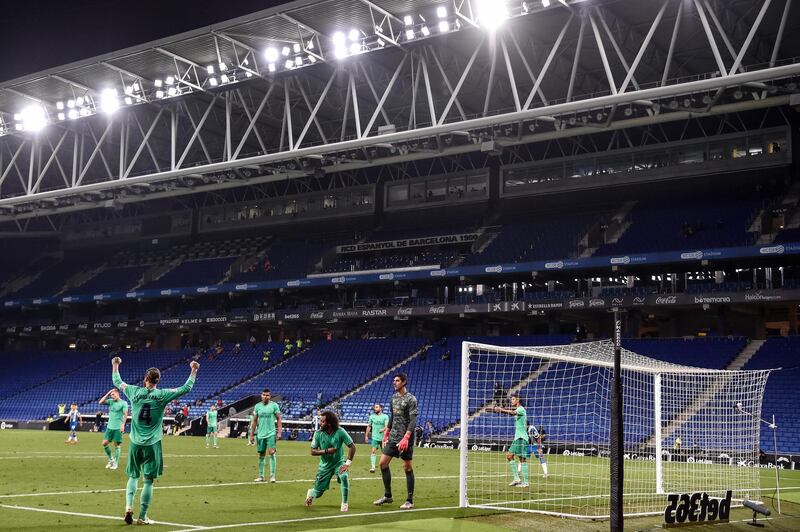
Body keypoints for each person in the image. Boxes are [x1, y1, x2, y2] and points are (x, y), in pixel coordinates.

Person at [111, 356, 199, 525]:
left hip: (135, 442)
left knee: (133, 476)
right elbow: (186, 388)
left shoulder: (133, 391)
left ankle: (129, 506)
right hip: (153, 444)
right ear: (157, 381)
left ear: (145, 379)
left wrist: (115, 364)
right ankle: (142, 517)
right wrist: (194, 370)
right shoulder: (162, 395)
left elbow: (117, 380)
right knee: (148, 481)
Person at [374, 373, 418, 510]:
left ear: (404, 382)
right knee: (382, 463)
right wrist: (386, 433)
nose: (394, 383)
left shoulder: (411, 399)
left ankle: (409, 500)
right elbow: (392, 417)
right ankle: (388, 495)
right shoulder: (393, 398)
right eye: (394, 381)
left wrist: (406, 437)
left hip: (406, 438)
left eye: (397, 381)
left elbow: (413, 420)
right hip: (393, 437)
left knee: (407, 467)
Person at [305, 411, 356, 512]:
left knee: (344, 476)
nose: (320, 423)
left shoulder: (340, 431)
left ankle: (344, 504)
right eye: (320, 421)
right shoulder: (318, 434)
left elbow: (352, 447)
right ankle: (311, 493)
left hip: (339, 462)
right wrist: (327, 451)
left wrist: (347, 464)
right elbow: (312, 452)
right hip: (325, 466)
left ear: (329, 423)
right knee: (318, 493)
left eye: (323, 421)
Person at [489, 394, 530, 488]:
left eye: (513, 399)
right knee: (511, 456)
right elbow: (510, 411)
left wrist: (501, 410)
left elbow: (512, 412)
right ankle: (517, 479)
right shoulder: (518, 409)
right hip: (518, 437)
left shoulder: (521, 409)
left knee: (520, 459)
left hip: (521, 438)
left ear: (518, 400)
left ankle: (525, 482)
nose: (511, 401)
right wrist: (500, 410)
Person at [249, 389, 282, 483]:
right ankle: (261, 476)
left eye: (267, 395)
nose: (265, 396)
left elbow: (279, 419)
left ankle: (272, 476)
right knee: (261, 454)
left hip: (271, 433)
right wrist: (251, 435)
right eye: (263, 395)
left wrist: (279, 432)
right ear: (261, 395)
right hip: (260, 434)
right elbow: (254, 421)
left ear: (270, 396)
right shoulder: (257, 406)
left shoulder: (274, 406)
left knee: (271, 452)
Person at [99, 388, 128, 470]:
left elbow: (125, 414)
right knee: (104, 443)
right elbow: (100, 402)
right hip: (109, 427)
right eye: (111, 395)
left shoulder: (123, 403)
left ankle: (116, 463)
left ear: (118, 394)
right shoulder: (110, 401)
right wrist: (108, 393)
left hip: (117, 427)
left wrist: (123, 425)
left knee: (117, 445)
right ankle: (111, 459)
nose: (112, 396)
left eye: (114, 394)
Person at [365, 404, 389, 473]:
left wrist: (383, 429)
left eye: (376, 407)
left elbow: (387, 426)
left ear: (381, 408)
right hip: (374, 437)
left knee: (385, 453)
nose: (375, 408)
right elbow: (369, 426)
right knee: (373, 451)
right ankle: (373, 467)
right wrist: (366, 435)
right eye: (374, 407)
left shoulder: (385, 416)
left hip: (383, 438)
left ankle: (385, 467)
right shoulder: (372, 416)